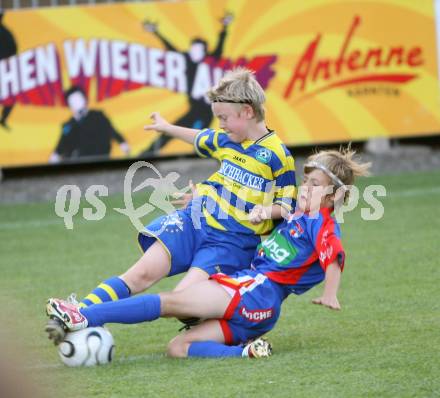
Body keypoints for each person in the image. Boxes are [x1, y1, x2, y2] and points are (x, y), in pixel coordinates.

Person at [45, 67, 296, 343]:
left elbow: (287, 205)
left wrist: (265, 211)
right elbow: (198, 137)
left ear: (247, 111)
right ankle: (79, 312)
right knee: (140, 274)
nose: (220, 125)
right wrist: (166, 128)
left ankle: (230, 321)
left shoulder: (277, 155)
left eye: (223, 118)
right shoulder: (225, 140)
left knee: (182, 304)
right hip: (193, 222)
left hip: (230, 243)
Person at [46, 148, 370, 358]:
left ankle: (84, 316)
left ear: (334, 195)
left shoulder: (322, 223)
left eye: (315, 184)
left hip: (254, 293)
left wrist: (331, 294)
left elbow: (335, 257)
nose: (306, 188)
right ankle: (247, 353)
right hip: (261, 311)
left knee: (169, 302)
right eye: (306, 180)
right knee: (177, 348)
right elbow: (252, 210)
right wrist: (205, 200)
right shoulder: (298, 215)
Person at [141, 13, 233, 155]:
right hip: (194, 109)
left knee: (202, 138)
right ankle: (146, 154)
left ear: (204, 51)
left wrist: (225, 27)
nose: (194, 52)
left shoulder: (209, 61)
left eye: (198, 50)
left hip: (207, 109)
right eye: (193, 49)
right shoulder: (187, 60)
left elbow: (219, 48)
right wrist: (155, 32)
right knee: (171, 131)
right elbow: (171, 48)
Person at [49, 86, 130, 163]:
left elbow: (111, 130)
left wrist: (122, 143)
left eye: (78, 99)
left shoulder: (98, 115)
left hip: (99, 159)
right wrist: (54, 156)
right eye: (72, 100)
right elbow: (61, 145)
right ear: (69, 105)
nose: (76, 102)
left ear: (84, 99)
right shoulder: (68, 125)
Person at [0, 9, 18, 130]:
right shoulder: (7, 33)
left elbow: (13, 50)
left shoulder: (6, 33)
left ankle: (4, 119)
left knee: (11, 96)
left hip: (5, 70)